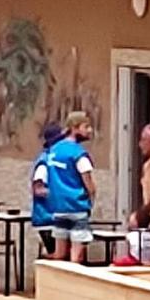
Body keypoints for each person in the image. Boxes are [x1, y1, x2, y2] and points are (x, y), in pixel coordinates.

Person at [46, 111, 96, 264]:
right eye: (86, 126)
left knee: (59, 254)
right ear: (74, 128)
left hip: (58, 207)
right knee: (76, 256)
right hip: (77, 206)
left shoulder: (53, 151)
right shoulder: (78, 153)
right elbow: (88, 181)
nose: (90, 131)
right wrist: (91, 197)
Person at [30, 122, 63, 257]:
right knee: (56, 255)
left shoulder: (56, 161)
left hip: (56, 218)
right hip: (47, 219)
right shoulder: (44, 163)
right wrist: (58, 194)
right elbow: (37, 190)